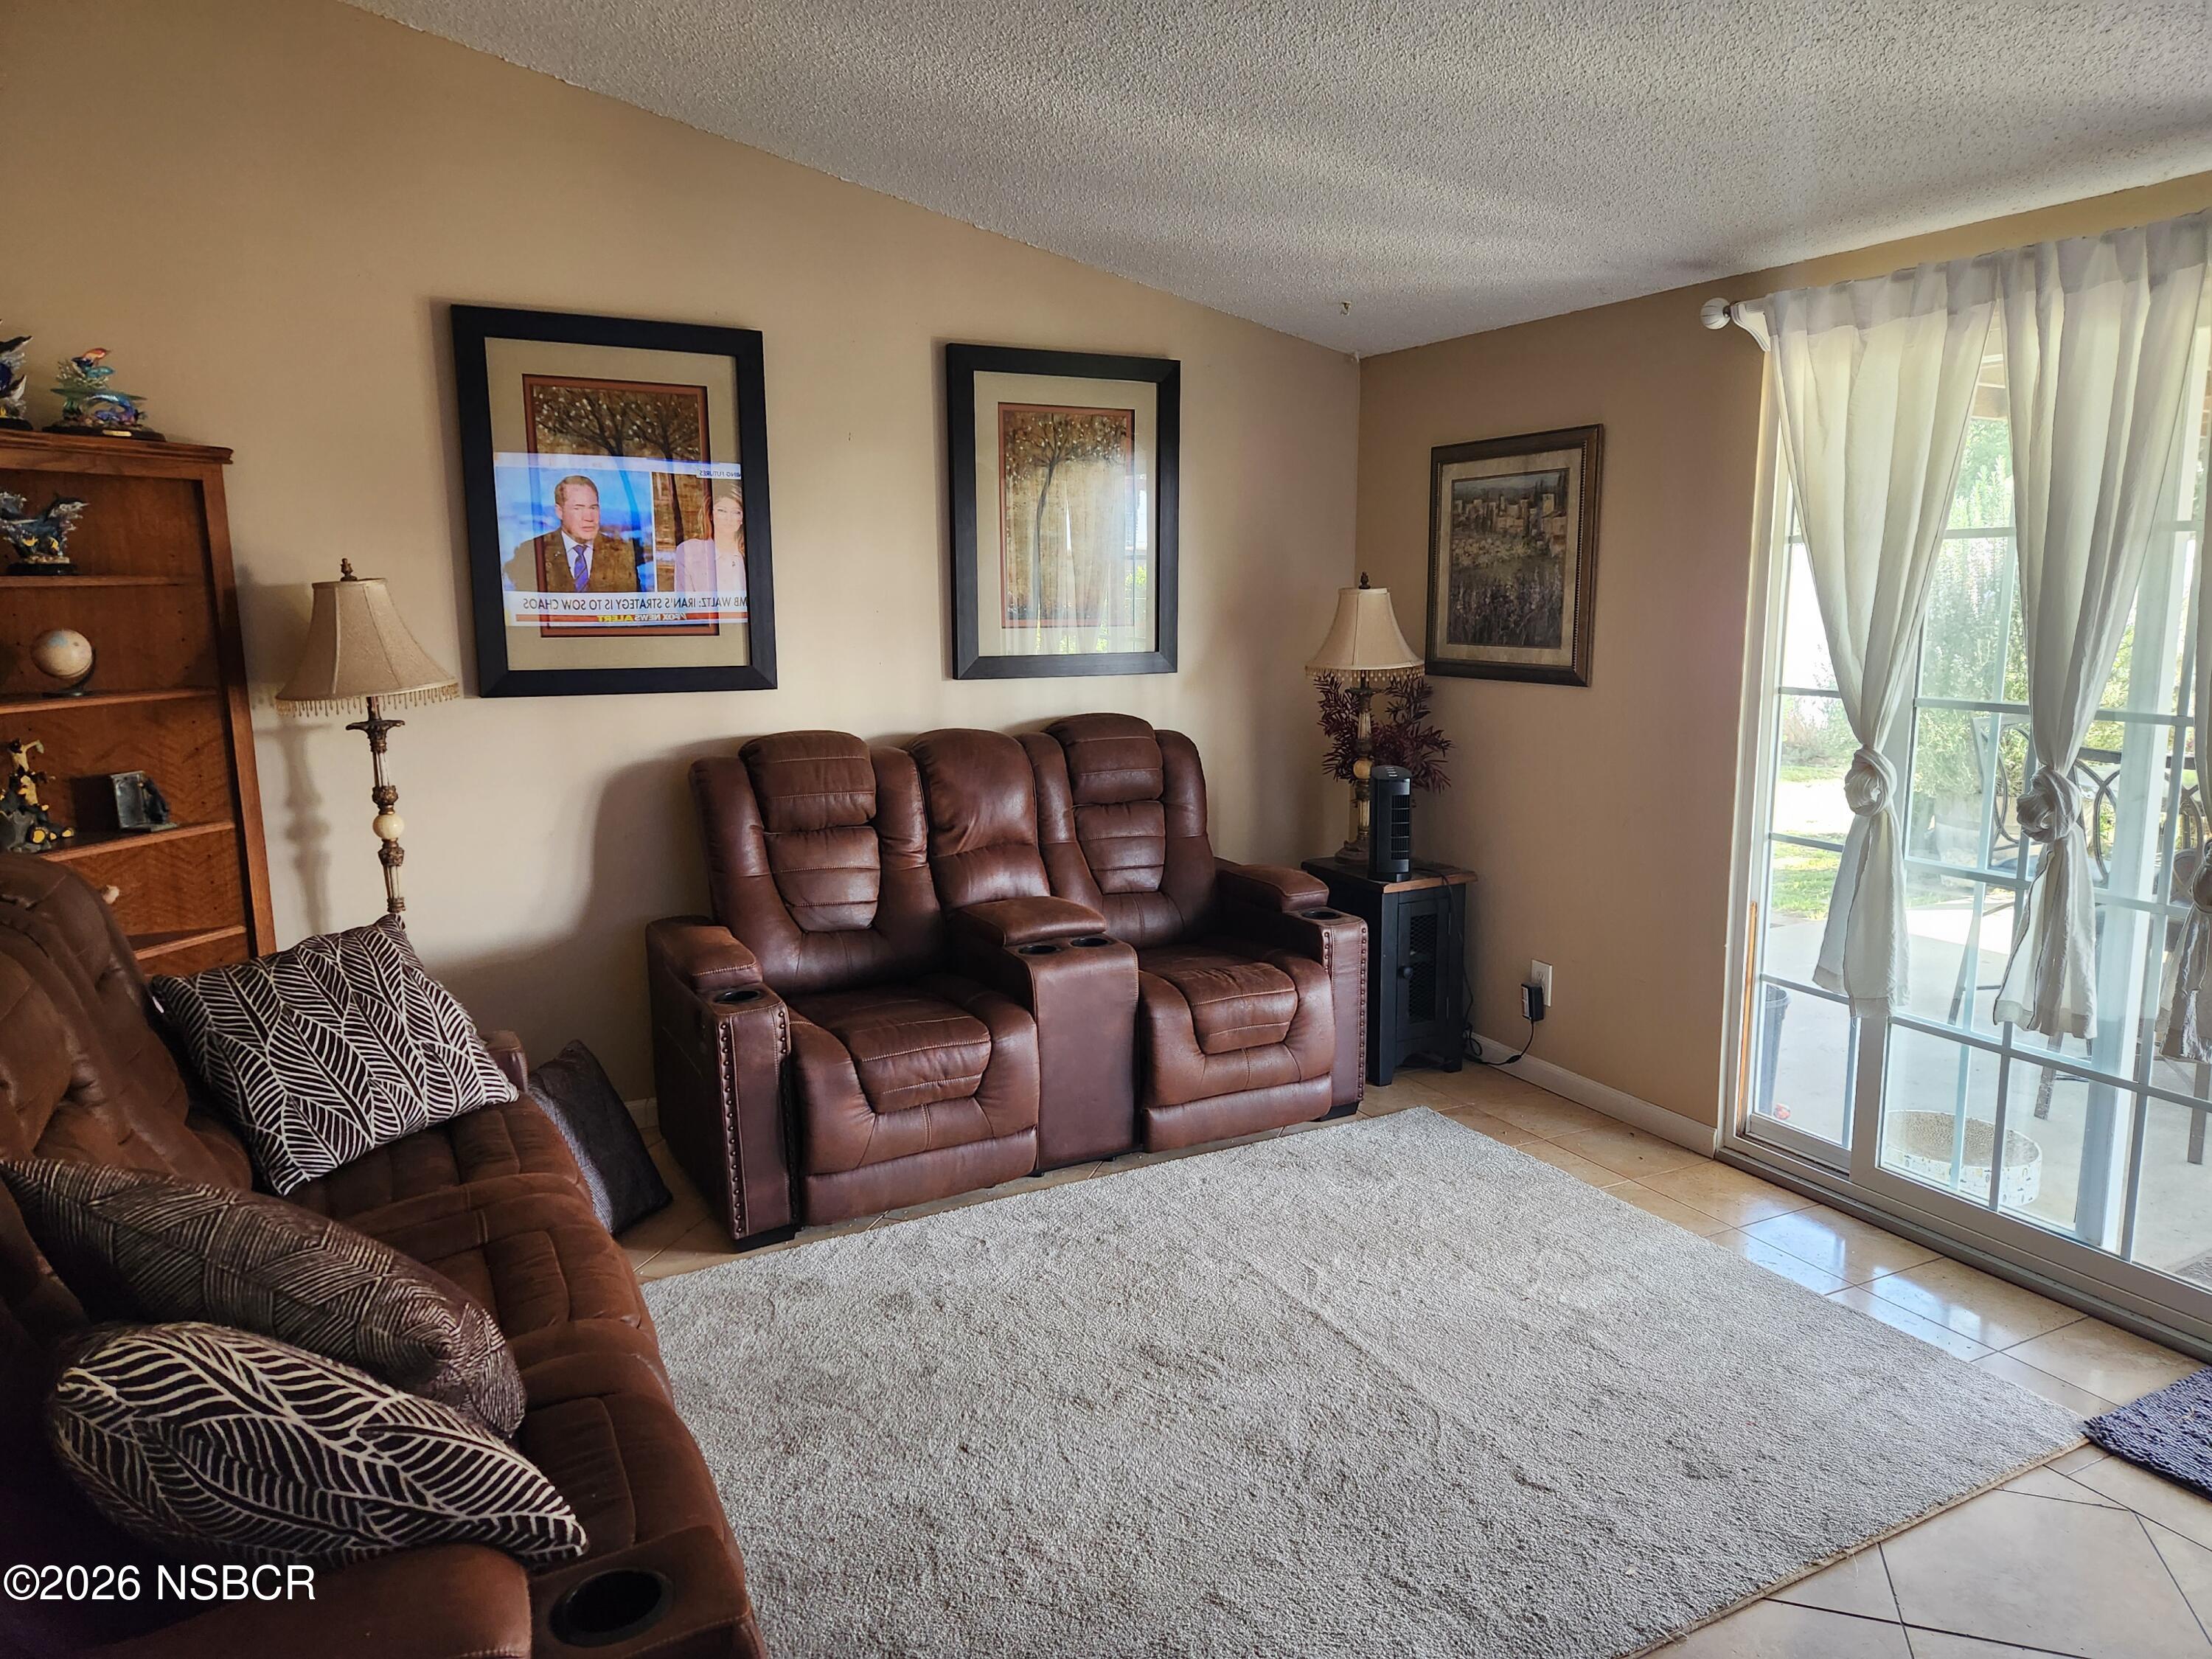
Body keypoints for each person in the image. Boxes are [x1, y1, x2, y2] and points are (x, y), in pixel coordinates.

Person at [512, 475, 638, 595]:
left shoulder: (620, 553)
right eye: (578, 508)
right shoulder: (531, 551)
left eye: (593, 508)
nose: (589, 518)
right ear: (559, 512)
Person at [668, 487, 748, 622]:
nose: (729, 518)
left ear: (742, 519)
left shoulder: (748, 557)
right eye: (722, 511)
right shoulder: (690, 551)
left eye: (736, 512)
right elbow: (686, 608)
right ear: (710, 515)